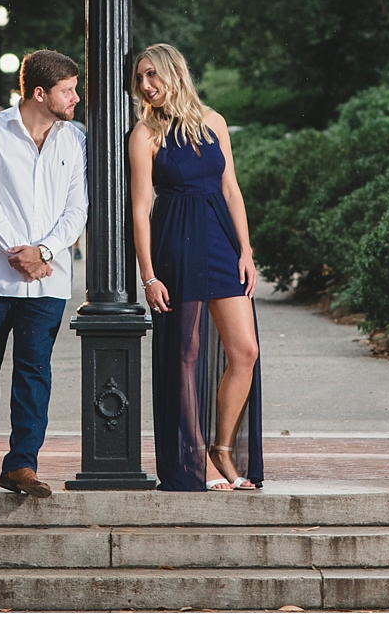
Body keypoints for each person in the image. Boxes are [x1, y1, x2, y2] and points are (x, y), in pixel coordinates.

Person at [0, 49, 87, 498]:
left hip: (49, 277)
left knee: (34, 371)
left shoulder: (75, 140)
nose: (77, 98)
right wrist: (19, 252)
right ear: (39, 92)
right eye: (68, 90)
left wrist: (43, 250)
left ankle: (22, 465)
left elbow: (77, 208)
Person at [129, 43, 263, 491]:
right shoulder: (144, 134)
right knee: (185, 356)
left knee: (244, 351)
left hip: (221, 242)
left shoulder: (214, 121)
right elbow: (141, 207)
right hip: (176, 244)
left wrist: (245, 249)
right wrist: (148, 274)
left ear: (174, 72)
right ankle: (192, 461)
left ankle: (221, 450)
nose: (146, 85)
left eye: (153, 75)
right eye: (141, 78)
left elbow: (231, 189)